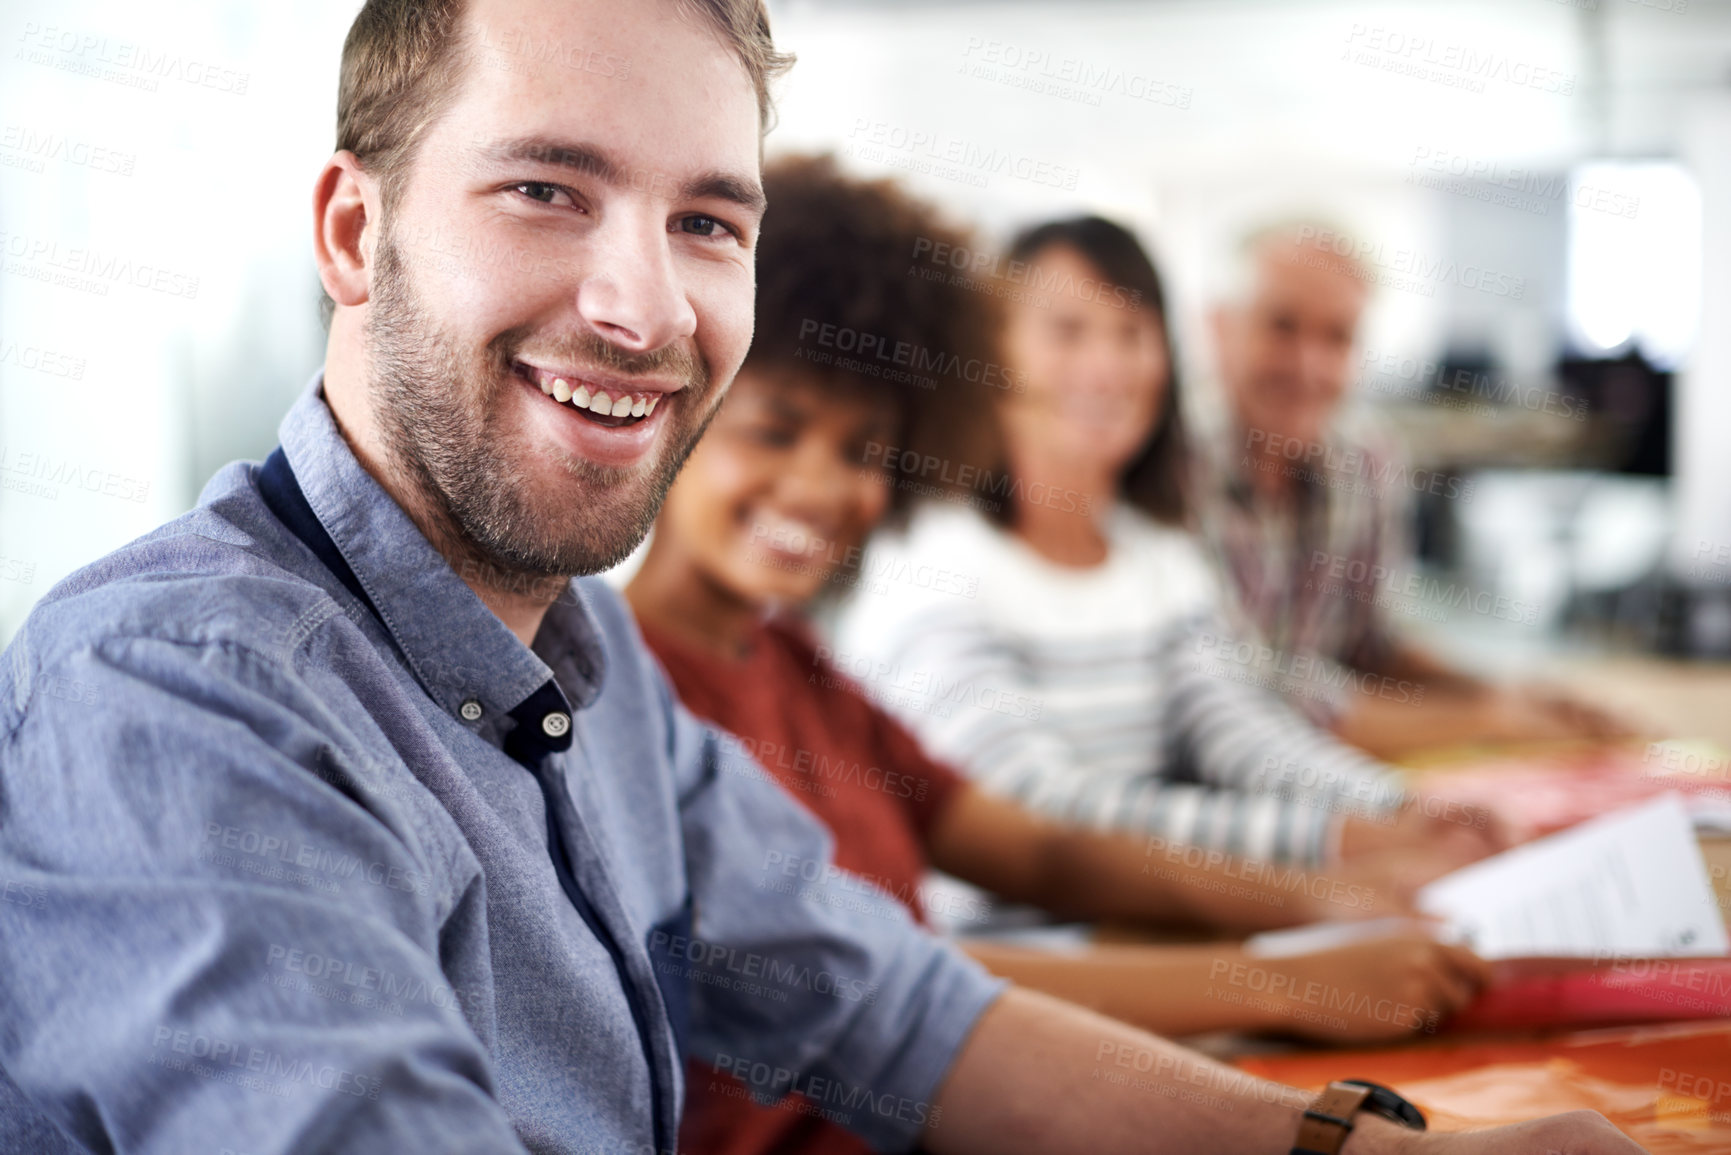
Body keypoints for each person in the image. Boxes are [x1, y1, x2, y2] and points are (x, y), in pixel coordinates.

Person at [0, 1, 1642, 1153]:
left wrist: (1349, 1148)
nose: (641, 309)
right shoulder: (179, 691)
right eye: (542, 189)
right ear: (355, 235)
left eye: (709, 221)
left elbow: (889, 1011)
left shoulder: (581, 669)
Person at [625, 155, 1493, 1155]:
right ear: (677, 405)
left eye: (863, 451)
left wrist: (1315, 899)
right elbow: (902, 984)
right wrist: (1288, 970)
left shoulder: (794, 667)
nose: (819, 486)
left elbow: (1041, 847)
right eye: (774, 432)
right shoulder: (631, 693)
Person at [831, 216, 1494, 870]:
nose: (1105, 366)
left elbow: (1236, 731)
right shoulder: (931, 556)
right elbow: (1036, 808)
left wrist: (1398, 806)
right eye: (1066, 331)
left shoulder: (1158, 553)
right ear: (991, 354)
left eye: (1132, 334)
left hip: (1155, 928)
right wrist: (1328, 840)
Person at [1195, 220, 1634, 759]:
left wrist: (1505, 693)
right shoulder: (1165, 473)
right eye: (1281, 326)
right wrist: (1482, 719)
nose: (1309, 365)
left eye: (1338, 336)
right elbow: (1247, 700)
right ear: (1217, 328)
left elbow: (1369, 647)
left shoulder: (1365, 460)